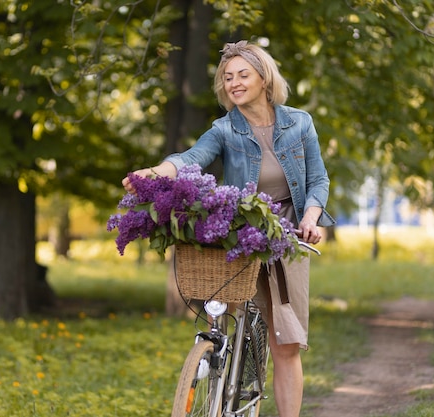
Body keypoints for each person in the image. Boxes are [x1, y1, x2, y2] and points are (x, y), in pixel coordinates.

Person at [122, 40, 335, 417]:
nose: (234, 82)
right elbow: (189, 160)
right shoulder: (224, 130)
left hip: (288, 236)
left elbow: (318, 179)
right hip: (242, 233)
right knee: (221, 314)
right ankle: (217, 371)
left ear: (264, 79)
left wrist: (310, 219)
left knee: (285, 344)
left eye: (243, 75)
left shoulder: (299, 122)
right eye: (227, 77)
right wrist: (154, 173)